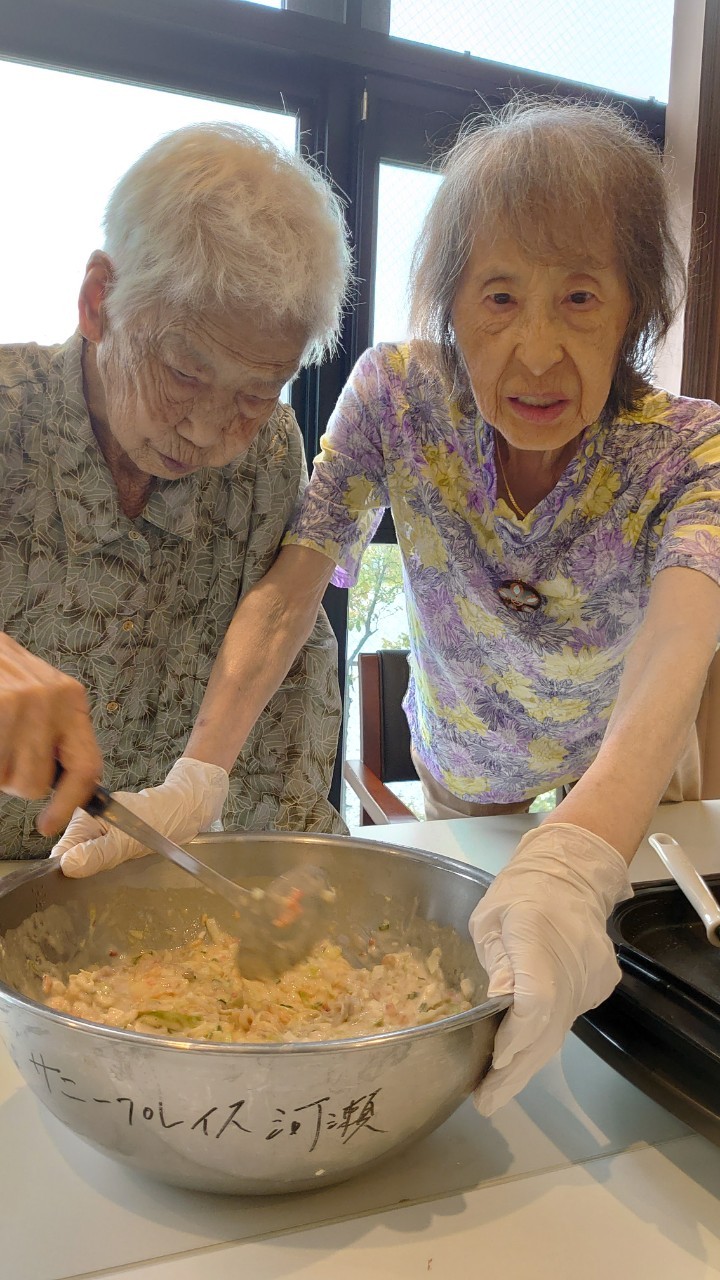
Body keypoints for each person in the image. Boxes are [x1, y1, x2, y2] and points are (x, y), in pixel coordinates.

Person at [5, 99, 720, 1115]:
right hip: (466, 766)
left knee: (636, 1005)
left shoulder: (691, 449)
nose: (536, 352)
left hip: (633, 774)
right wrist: (200, 775)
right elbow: (292, 590)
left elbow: (681, 638)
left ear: (635, 306)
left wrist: (581, 855)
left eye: (580, 297)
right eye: (500, 297)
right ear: (450, 305)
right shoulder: (397, 398)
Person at [0, 121, 352, 861]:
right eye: (185, 373)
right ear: (99, 300)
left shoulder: (267, 457)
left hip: (156, 886)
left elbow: (284, 690)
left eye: (255, 394)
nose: (208, 432)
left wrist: (286, 874)